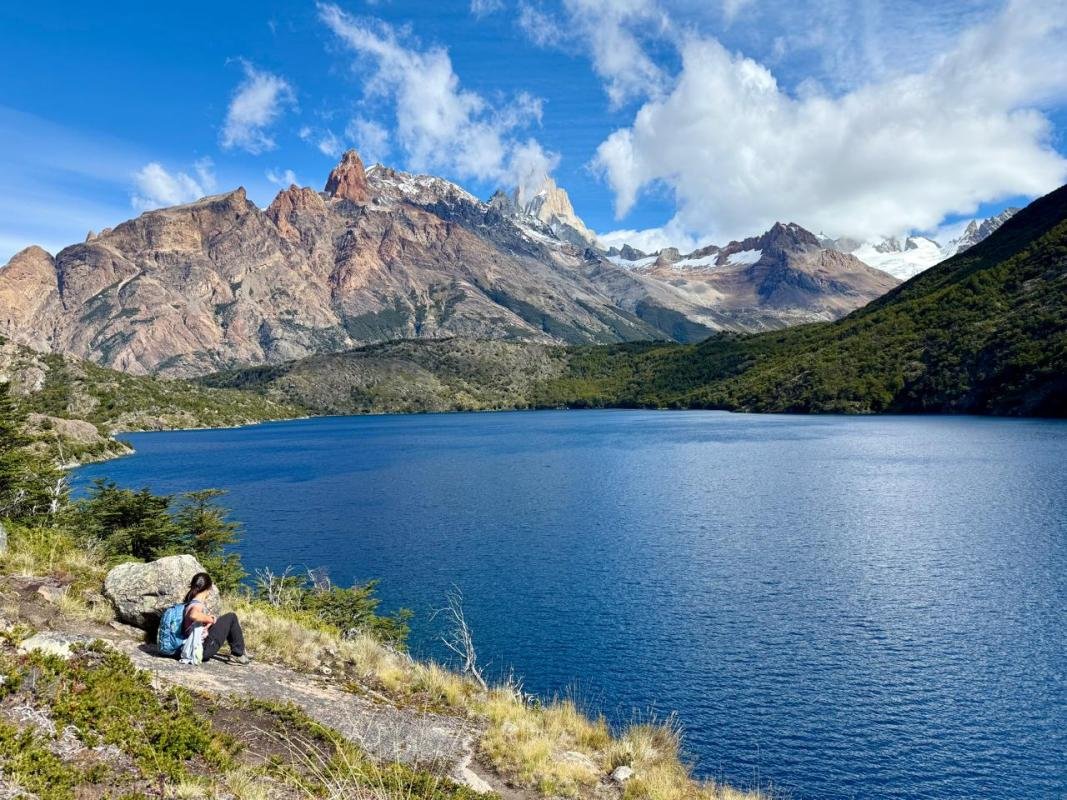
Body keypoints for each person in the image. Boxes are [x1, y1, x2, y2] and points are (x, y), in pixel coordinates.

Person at [182, 572, 251, 665]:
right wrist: (210, 619)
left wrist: (207, 622)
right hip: (200, 650)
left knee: (225, 620)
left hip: (191, 645)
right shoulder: (197, 604)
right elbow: (193, 615)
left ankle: (240, 650)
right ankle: (238, 655)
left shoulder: (189, 602)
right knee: (231, 617)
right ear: (208, 588)